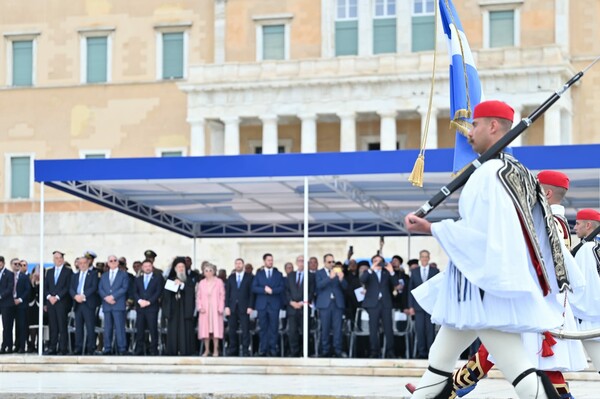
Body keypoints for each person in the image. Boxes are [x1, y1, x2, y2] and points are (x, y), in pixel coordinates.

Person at [405, 100, 568, 398]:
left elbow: (482, 235)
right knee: (440, 358)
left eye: (475, 125)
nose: (468, 132)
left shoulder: (489, 174)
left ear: (493, 127)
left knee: (515, 365)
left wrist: (431, 228)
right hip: (478, 287)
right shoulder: (519, 172)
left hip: (483, 288)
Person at [572, 209, 600, 372]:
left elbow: (585, 288)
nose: (575, 228)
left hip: (592, 318)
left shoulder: (587, 249)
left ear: (588, 225)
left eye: (578, 223)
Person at [360, 254, 399, 358]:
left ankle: (390, 351)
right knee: (373, 329)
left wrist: (391, 271)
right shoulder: (368, 272)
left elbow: (396, 283)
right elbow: (363, 280)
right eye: (375, 261)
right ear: (372, 262)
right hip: (373, 304)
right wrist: (371, 268)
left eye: (379, 261)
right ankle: (374, 351)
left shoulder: (386, 273)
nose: (378, 263)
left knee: (388, 328)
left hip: (385, 303)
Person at [162, 257, 198, 356]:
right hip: (174, 310)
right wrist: (174, 285)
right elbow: (166, 296)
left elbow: (191, 293)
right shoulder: (170, 280)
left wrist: (182, 285)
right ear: (175, 269)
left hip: (185, 311)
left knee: (185, 331)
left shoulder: (189, 281)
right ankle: (173, 351)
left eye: (182, 267)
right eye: (179, 267)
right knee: (173, 330)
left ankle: (185, 351)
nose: (181, 269)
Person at [407, 249, 439, 359]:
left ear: (429, 258)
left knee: (430, 330)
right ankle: (422, 353)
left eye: (426, 256)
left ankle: (431, 353)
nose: (424, 258)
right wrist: (410, 306)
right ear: (420, 258)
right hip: (418, 306)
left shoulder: (435, 271)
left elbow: (438, 289)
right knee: (419, 330)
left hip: (431, 307)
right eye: (422, 256)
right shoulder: (414, 272)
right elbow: (410, 289)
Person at [252, 253, 284, 357]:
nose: (270, 262)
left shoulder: (278, 274)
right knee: (263, 328)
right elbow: (254, 288)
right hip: (262, 305)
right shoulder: (259, 274)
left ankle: (273, 348)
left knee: (274, 328)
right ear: (264, 261)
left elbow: (281, 288)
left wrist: (272, 291)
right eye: (268, 260)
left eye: (271, 260)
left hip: (274, 304)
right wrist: (264, 290)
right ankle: (263, 349)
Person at [316, 253, 347, 358]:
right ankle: (325, 350)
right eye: (329, 262)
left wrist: (342, 279)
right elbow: (318, 286)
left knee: (337, 329)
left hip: (337, 304)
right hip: (325, 304)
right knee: (325, 328)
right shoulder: (319, 273)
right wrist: (329, 278)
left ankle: (337, 350)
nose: (332, 264)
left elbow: (346, 287)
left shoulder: (338, 271)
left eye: (333, 261)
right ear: (324, 262)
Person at [98, 255, 130, 355]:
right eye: (110, 261)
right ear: (108, 263)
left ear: (117, 262)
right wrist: (106, 297)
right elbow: (100, 289)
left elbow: (124, 288)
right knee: (107, 328)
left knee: (120, 327)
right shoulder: (104, 275)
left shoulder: (123, 274)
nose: (112, 262)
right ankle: (107, 348)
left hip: (118, 304)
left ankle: (122, 348)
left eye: (114, 260)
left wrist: (113, 297)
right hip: (107, 305)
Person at [69, 255, 100, 355]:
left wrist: (83, 296)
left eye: (84, 263)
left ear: (88, 264)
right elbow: (71, 288)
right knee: (78, 327)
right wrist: (75, 296)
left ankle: (90, 348)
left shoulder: (93, 274)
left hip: (88, 303)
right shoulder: (74, 275)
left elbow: (94, 287)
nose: (82, 265)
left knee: (90, 327)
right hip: (77, 304)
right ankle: (78, 347)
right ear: (78, 264)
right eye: (80, 263)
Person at [44, 250, 73, 355]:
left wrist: (57, 297)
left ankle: (63, 348)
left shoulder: (68, 271)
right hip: (51, 303)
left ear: (63, 259)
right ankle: (52, 347)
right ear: (53, 260)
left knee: (62, 326)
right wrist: (49, 297)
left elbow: (67, 287)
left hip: (61, 302)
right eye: (56, 258)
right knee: (53, 326)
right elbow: (45, 286)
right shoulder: (49, 271)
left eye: (60, 258)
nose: (58, 260)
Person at [224, 258, 254, 356]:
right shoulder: (231, 277)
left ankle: (245, 350)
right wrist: (227, 306)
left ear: (243, 265)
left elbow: (251, 293)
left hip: (244, 307)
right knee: (232, 329)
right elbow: (227, 293)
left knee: (245, 330)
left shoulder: (249, 277)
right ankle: (233, 349)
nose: (238, 265)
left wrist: (250, 306)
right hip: (232, 307)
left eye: (240, 263)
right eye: (236, 263)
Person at [134, 259, 164, 355]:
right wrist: (139, 301)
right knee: (140, 329)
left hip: (152, 308)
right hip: (140, 308)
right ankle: (139, 350)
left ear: (152, 267)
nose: (147, 268)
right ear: (142, 268)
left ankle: (153, 350)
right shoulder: (138, 279)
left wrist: (149, 302)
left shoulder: (158, 278)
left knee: (153, 329)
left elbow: (158, 291)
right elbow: (134, 292)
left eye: (149, 266)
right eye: (145, 266)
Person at [196, 262, 225, 357]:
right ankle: (207, 350)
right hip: (205, 309)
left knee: (215, 331)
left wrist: (221, 307)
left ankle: (215, 350)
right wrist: (200, 307)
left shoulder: (219, 282)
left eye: (210, 271)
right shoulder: (201, 283)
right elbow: (198, 296)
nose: (208, 272)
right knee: (206, 331)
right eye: (206, 271)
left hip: (215, 309)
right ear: (203, 272)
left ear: (214, 272)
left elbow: (222, 295)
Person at [285, 255, 306, 357]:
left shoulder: (309, 276)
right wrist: (291, 302)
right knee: (292, 332)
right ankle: (294, 351)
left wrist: (303, 302)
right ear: (296, 262)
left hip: (304, 308)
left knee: (304, 331)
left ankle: (304, 351)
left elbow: (311, 291)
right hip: (292, 308)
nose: (301, 263)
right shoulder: (291, 275)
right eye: (299, 261)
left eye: (303, 261)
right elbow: (286, 291)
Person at [11, 258, 31, 353]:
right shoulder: (9, 276)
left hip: (21, 305)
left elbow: (28, 290)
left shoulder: (24, 276)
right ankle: (15, 345)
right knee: (12, 326)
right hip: (10, 304)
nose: (17, 265)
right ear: (11, 265)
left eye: (19, 264)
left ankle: (22, 347)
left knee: (22, 326)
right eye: (15, 264)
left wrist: (20, 299)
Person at [0, 256, 16, 354]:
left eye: (0, 262)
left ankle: (7, 346)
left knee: (7, 326)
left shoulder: (9, 274)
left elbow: (10, 288)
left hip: (6, 303)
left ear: (3, 263)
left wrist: (1, 296)